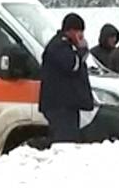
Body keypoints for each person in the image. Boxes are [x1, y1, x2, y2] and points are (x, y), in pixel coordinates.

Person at [39, 13, 95, 144]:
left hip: (67, 104)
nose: (81, 35)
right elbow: (72, 65)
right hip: (59, 105)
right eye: (79, 31)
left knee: (70, 138)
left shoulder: (66, 45)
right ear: (70, 31)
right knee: (65, 142)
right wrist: (82, 51)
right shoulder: (59, 46)